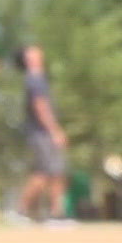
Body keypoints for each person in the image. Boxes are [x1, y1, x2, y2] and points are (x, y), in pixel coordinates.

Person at [13, 45, 73, 226]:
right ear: (28, 58)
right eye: (33, 50)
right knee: (50, 172)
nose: (39, 51)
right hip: (42, 133)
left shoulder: (36, 79)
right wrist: (54, 130)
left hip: (40, 132)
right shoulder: (35, 80)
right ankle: (52, 214)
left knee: (48, 172)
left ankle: (50, 212)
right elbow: (41, 107)